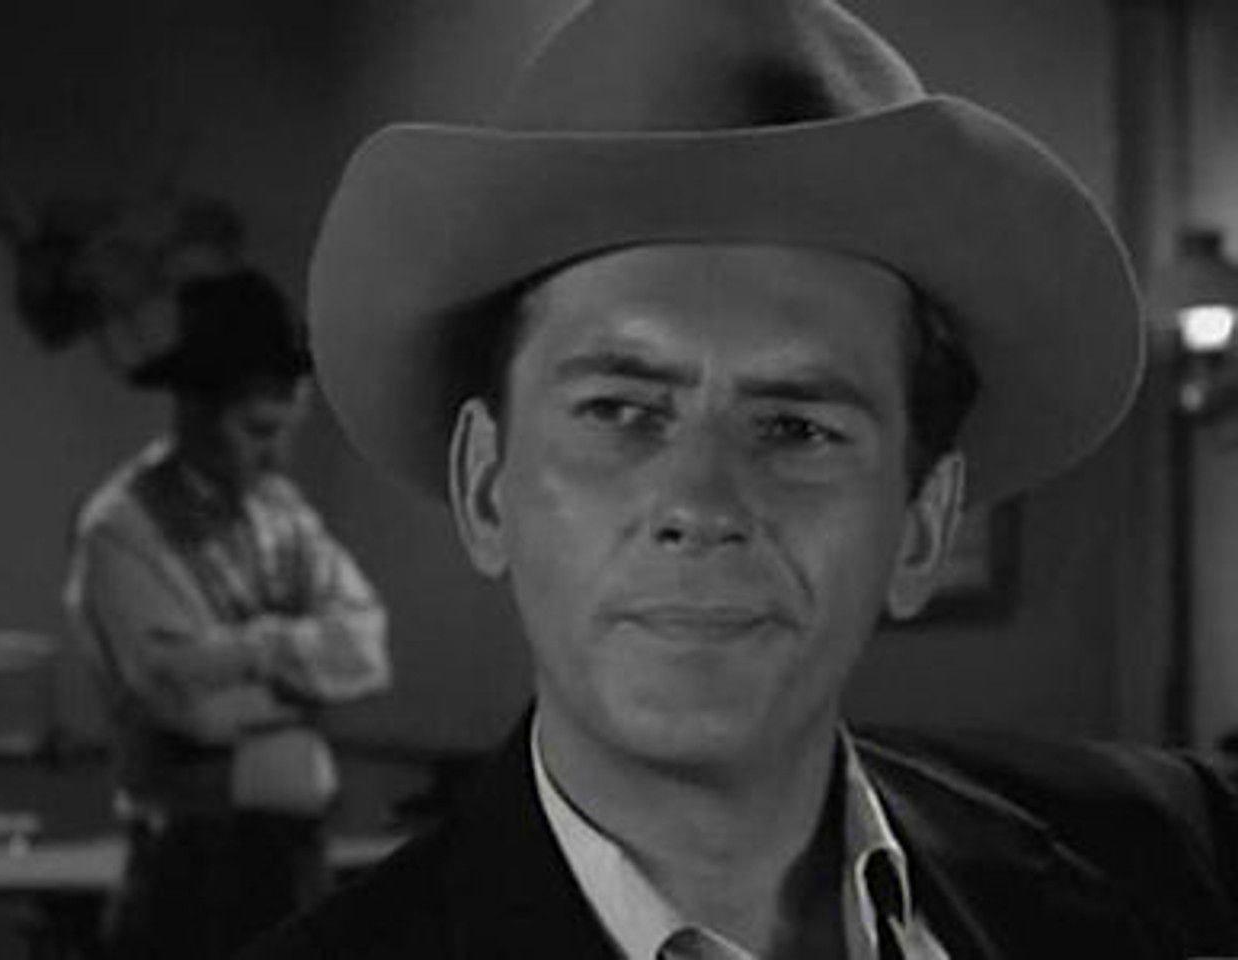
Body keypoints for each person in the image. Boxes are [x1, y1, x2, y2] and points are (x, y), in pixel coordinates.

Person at [249, 1, 1238, 957]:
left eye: (796, 429)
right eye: (619, 411)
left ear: (920, 528)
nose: (700, 505)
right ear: (483, 486)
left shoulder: (1165, 860)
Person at [64, 267, 391, 959]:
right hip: (188, 873)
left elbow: (366, 649)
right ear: (194, 409)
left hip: (296, 863)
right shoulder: (123, 528)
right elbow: (185, 701)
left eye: (287, 429)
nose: (277, 454)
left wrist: (244, 653)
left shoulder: (282, 514)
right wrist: (299, 664)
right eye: (258, 429)